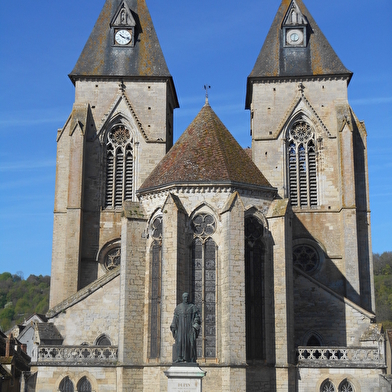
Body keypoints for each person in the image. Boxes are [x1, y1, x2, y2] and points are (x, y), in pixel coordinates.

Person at [170, 292, 201, 363]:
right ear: (182, 298)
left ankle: (189, 358)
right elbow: (175, 318)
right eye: (184, 297)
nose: (186, 298)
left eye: (187, 297)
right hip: (181, 329)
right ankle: (179, 357)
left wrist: (195, 325)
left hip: (189, 329)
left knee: (190, 343)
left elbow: (197, 318)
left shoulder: (192, 307)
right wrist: (173, 326)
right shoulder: (178, 308)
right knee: (180, 341)